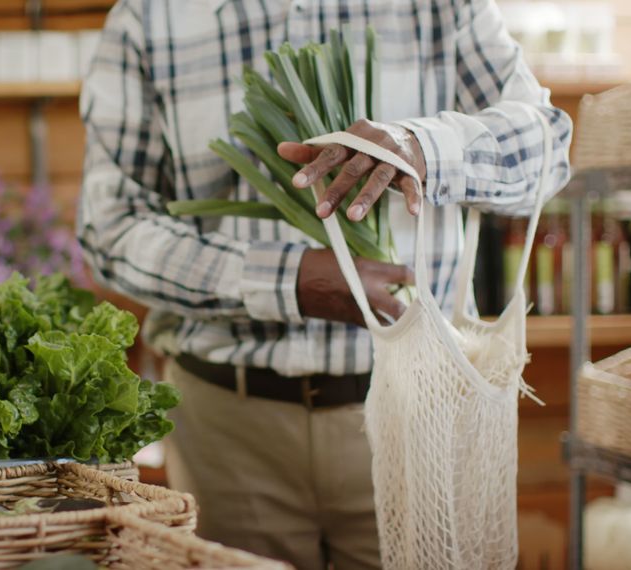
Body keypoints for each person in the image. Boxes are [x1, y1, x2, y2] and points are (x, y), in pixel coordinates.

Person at [78, 1, 572, 568]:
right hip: (229, 430)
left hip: (418, 412)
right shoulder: (150, 17)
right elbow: (108, 229)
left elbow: (549, 152)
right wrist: (285, 280)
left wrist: (424, 150)